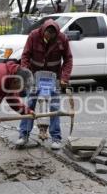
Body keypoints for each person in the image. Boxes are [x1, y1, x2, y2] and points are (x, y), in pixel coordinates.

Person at [16, 19, 73, 150]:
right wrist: (26, 74)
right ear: (43, 31)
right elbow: (25, 56)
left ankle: (56, 138)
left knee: (54, 107)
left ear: (56, 34)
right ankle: (23, 135)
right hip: (35, 76)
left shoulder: (62, 39)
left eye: (52, 35)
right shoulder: (34, 36)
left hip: (53, 77)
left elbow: (68, 59)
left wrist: (64, 77)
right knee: (29, 104)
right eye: (47, 34)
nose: (49, 37)